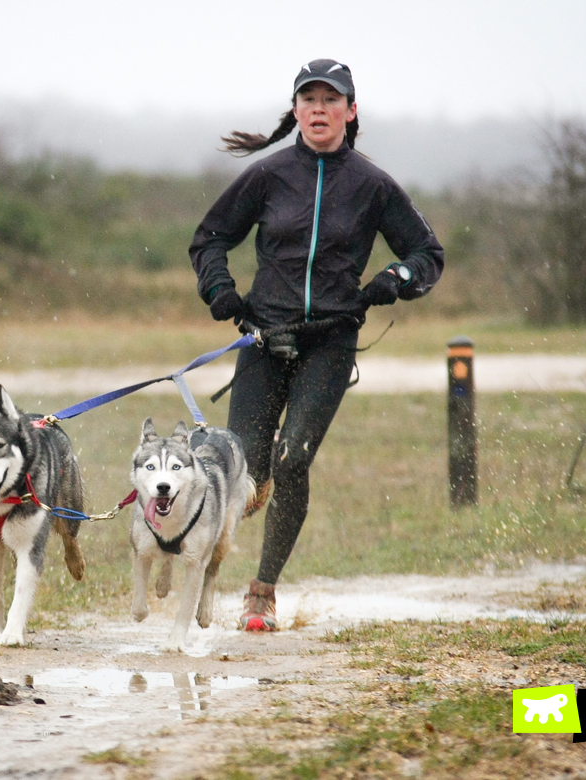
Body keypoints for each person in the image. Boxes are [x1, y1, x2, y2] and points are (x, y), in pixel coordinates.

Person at [189, 58, 444, 631]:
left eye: (332, 100)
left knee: (294, 457)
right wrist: (221, 292)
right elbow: (209, 239)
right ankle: (213, 554)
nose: (320, 109)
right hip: (263, 337)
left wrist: (393, 281)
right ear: (296, 110)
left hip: (330, 342)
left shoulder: (373, 185)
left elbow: (428, 255)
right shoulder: (268, 176)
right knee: (248, 476)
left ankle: (262, 591)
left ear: (351, 112)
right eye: (310, 99)